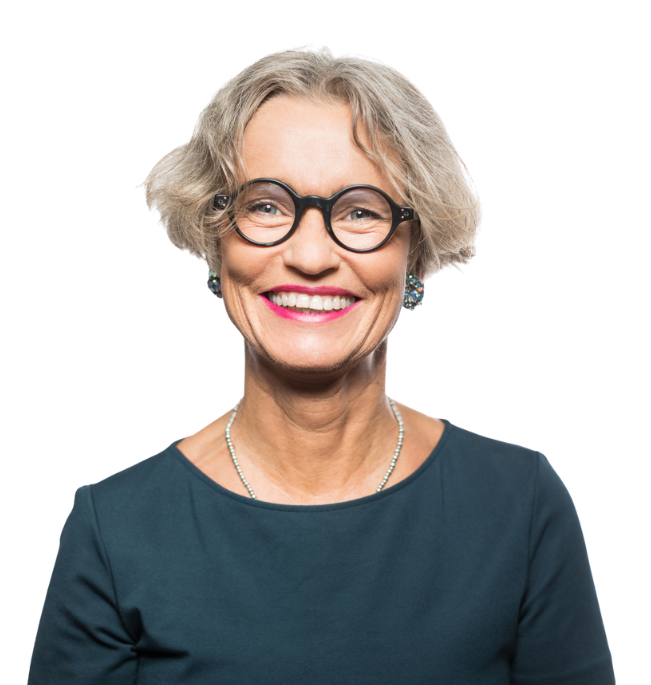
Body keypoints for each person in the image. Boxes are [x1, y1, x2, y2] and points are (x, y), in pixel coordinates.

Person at [27, 45, 615, 684]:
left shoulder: (521, 506)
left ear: (414, 257)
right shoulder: (114, 530)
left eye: (361, 211)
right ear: (214, 242)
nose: (311, 255)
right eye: (266, 205)